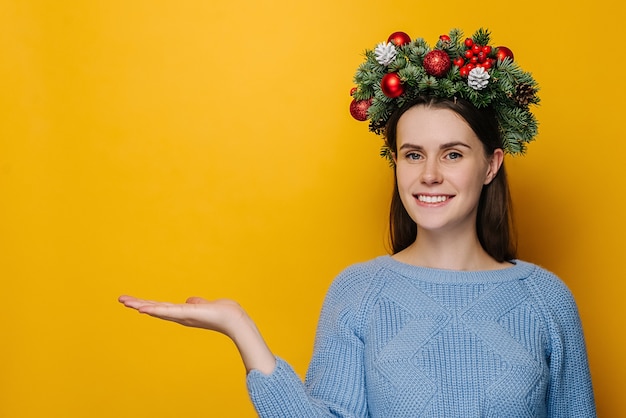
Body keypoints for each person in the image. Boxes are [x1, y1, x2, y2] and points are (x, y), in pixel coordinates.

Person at [119, 28, 596, 417]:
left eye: (453, 154)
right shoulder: (358, 292)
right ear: (396, 163)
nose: (429, 174)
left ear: (490, 165)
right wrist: (238, 328)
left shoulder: (546, 300)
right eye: (413, 155)